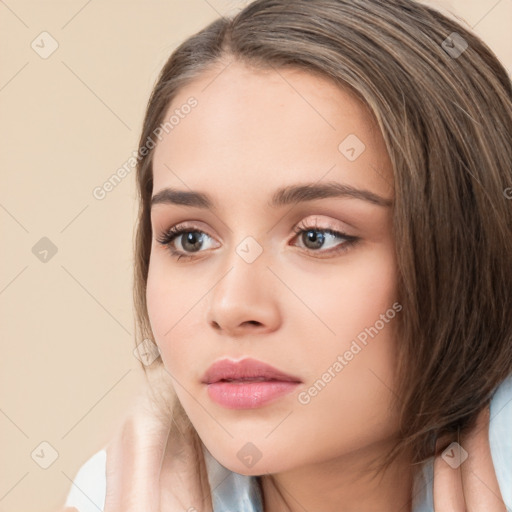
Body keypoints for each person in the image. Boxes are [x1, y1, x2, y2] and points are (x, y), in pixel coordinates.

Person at [61, 0, 512, 510]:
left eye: (318, 236)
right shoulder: (123, 493)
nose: (232, 306)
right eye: (190, 239)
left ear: (471, 252)